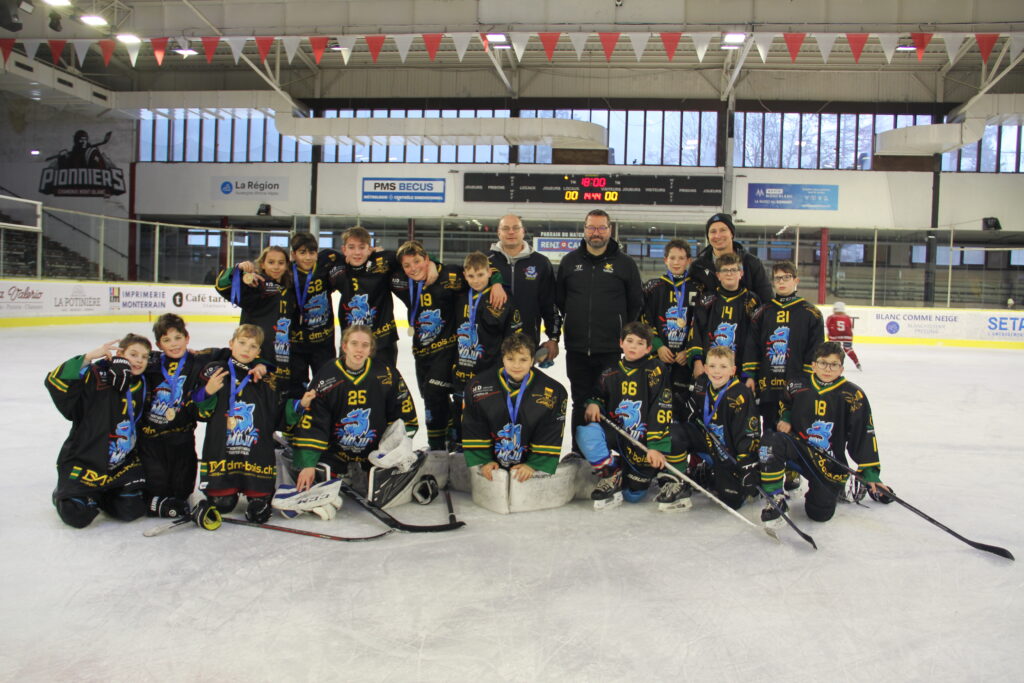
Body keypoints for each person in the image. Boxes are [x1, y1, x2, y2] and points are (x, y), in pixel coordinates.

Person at [757, 342, 891, 526]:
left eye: (834, 364)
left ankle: (836, 490)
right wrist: (786, 418)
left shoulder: (853, 395)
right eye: (823, 363)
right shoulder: (796, 385)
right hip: (800, 449)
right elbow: (786, 404)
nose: (828, 369)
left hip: (829, 462)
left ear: (841, 368)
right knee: (771, 441)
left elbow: (863, 434)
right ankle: (775, 499)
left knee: (819, 514)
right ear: (813, 365)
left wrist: (870, 473)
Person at [390, 240, 506, 450]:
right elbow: (382, 263)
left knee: (435, 395)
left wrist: (497, 282)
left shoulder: (450, 275)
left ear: (427, 258)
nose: (413, 268)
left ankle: (437, 448)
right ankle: (448, 439)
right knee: (432, 399)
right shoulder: (401, 280)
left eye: (417, 261)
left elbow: (479, 269)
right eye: (407, 265)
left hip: (447, 350)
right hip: (421, 352)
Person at [195, 324, 314, 523]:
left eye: (252, 346)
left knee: (259, 510)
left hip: (256, 459)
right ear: (231, 344)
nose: (246, 349)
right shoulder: (217, 372)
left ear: (258, 351)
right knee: (222, 504)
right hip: (221, 455)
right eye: (242, 343)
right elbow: (202, 412)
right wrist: (207, 392)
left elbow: (277, 413)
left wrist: (300, 404)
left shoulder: (266, 379)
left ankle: (256, 493)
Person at [555, 209, 643, 452]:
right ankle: (578, 454)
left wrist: (623, 336)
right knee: (580, 402)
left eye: (601, 227)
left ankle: (606, 456)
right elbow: (560, 300)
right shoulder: (569, 262)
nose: (596, 232)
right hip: (577, 348)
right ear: (584, 230)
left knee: (609, 402)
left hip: (610, 350)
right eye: (591, 227)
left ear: (609, 230)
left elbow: (635, 303)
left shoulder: (625, 264)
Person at [290, 325, 419, 491]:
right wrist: (308, 463)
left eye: (365, 345)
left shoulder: (386, 373)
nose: (359, 349)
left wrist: (396, 448)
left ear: (371, 349)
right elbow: (313, 420)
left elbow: (403, 413)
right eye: (354, 343)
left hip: (375, 452)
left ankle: (365, 470)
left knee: (383, 478)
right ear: (345, 346)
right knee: (323, 476)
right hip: (335, 451)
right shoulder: (327, 375)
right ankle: (342, 468)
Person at [46, 334, 151, 528]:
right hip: (86, 461)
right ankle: (65, 494)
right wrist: (88, 358)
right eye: (133, 354)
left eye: (144, 357)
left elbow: (171, 360)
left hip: (120, 465)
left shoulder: (143, 381)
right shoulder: (96, 374)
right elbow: (55, 381)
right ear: (119, 354)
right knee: (76, 515)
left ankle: (100, 495)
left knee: (132, 509)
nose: (139, 360)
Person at [139, 314, 237, 518]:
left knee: (182, 493)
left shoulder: (201, 359)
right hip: (151, 442)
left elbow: (237, 352)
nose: (174, 344)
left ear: (187, 338)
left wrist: (261, 364)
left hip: (182, 440)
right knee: (156, 493)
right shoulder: (151, 362)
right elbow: (127, 361)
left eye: (178, 338)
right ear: (158, 344)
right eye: (167, 340)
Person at [576, 322, 678, 510]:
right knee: (586, 433)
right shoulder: (610, 371)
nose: (633, 346)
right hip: (619, 434)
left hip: (644, 439)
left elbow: (661, 408)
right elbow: (598, 393)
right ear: (621, 343)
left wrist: (656, 446)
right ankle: (611, 471)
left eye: (640, 343)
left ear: (648, 348)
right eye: (629, 341)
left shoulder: (655, 369)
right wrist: (594, 403)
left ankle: (638, 469)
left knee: (632, 494)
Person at [462, 334, 568, 482]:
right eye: (510, 359)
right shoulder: (477, 387)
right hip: (492, 463)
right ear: (503, 358)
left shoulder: (554, 391)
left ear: (532, 360)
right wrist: (484, 460)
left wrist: (534, 464)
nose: (516, 365)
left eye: (523, 359)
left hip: (529, 466)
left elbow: (551, 429)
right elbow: (474, 425)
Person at [671, 346, 760, 510]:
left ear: (733, 370)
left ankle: (719, 475)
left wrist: (746, 465)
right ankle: (679, 479)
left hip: (729, 453)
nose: (717, 371)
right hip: (708, 442)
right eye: (712, 366)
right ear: (705, 368)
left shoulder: (740, 394)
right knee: (674, 433)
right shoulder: (702, 384)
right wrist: (679, 407)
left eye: (723, 366)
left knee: (731, 501)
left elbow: (748, 433)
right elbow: (690, 411)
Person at [451, 251, 523, 447]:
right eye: (471, 276)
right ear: (465, 275)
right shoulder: (459, 295)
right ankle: (459, 447)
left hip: (490, 370)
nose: (476, 280)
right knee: (461, 412)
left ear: (490, 273)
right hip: (462, 370)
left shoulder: (501, 298)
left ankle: (490, 447)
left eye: (481, 275)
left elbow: (513, 339)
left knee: (489, 413)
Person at [330, 227, 428, 369]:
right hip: (351, 344)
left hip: (383, 343)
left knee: (385, 382)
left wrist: (432, 265)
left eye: (362, 247)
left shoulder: (384, 261)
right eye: (351, 247)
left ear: (370, 249)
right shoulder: (337, 269)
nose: (357, 252)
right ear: (344, 249)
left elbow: (413, 259)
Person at [746, 261, 825, 430]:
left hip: (798, 385)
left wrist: (807, 380)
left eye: (786, 277)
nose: (781, 281)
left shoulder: (811, 313)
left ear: (796, 280)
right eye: (777, 278)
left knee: (795, 430)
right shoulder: (762, 312)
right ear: (773, 282)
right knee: (769, 430)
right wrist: (750, 375)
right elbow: (752, 346)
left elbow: (816, 350)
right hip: (768, 384)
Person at [216, 245, 296, 395]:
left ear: (286, 266)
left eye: (281, 263)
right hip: (255, 353)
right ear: (262, 264)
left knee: (277, 396)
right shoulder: (256, 283)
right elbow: (222, 286)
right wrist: (238, 270)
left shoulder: (289, 289)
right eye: (271, 262)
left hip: (281, 354)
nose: (276, 266)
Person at [487, 214, 560, 363]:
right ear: (498, 233)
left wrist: (553, 337)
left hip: (526, 343)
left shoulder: (541, 263)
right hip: (490, 343)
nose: (511, 232)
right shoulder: (486, 261)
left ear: (523, 231)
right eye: (505, 228)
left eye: (515, 228)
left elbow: (549, 303)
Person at [641, 238, 695, 421]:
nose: (676, 262)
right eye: (672, 258)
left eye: (681, 258)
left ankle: (679, 438)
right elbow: (645, 320)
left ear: (689, 261)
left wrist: (689, 350)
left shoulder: (697, 289)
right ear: (665, 260)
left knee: (681, 407)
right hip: (659, 357)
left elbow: (701, 325)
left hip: (684, 361)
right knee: (654, 404)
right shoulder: (653, 288)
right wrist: (658, 346)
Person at [686, 252, 760, 383]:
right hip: (709, 369)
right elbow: (696, 330)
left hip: (739, 371)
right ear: (718, 275)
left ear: (741, 273)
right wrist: (697, 361)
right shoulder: (706, 299)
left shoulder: (751, 300)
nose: (729, 274)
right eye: (725, 270)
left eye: (733, 270)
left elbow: (754, 338)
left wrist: (749, 374)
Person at [288, 232, 342, 396]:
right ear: (293, 254)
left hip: (323, 344)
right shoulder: (286, 273)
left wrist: (374, 254)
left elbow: (349, 258)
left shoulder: (325, 264)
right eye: (302, 252)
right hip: (296, 345)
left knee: (327, 387)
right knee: (297, 390)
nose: (307, 257)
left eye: (312, 252)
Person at [689, 213, 773, 304]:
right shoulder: (698, 266)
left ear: (732, 234)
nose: (718, 236)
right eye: (713, 231)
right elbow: (691, 301)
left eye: (723, 230)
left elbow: (767, 301)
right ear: (708, 236)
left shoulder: (751, 263)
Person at [826, 301, 862, 370]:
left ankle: (835, 364)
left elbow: (829, 327)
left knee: (834, 350)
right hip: (847, 336)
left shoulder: (831, 317)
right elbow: (850, 326)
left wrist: (830, 337)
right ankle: (857, 363)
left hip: (835, 337)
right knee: (848, 349)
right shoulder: (847, 317)